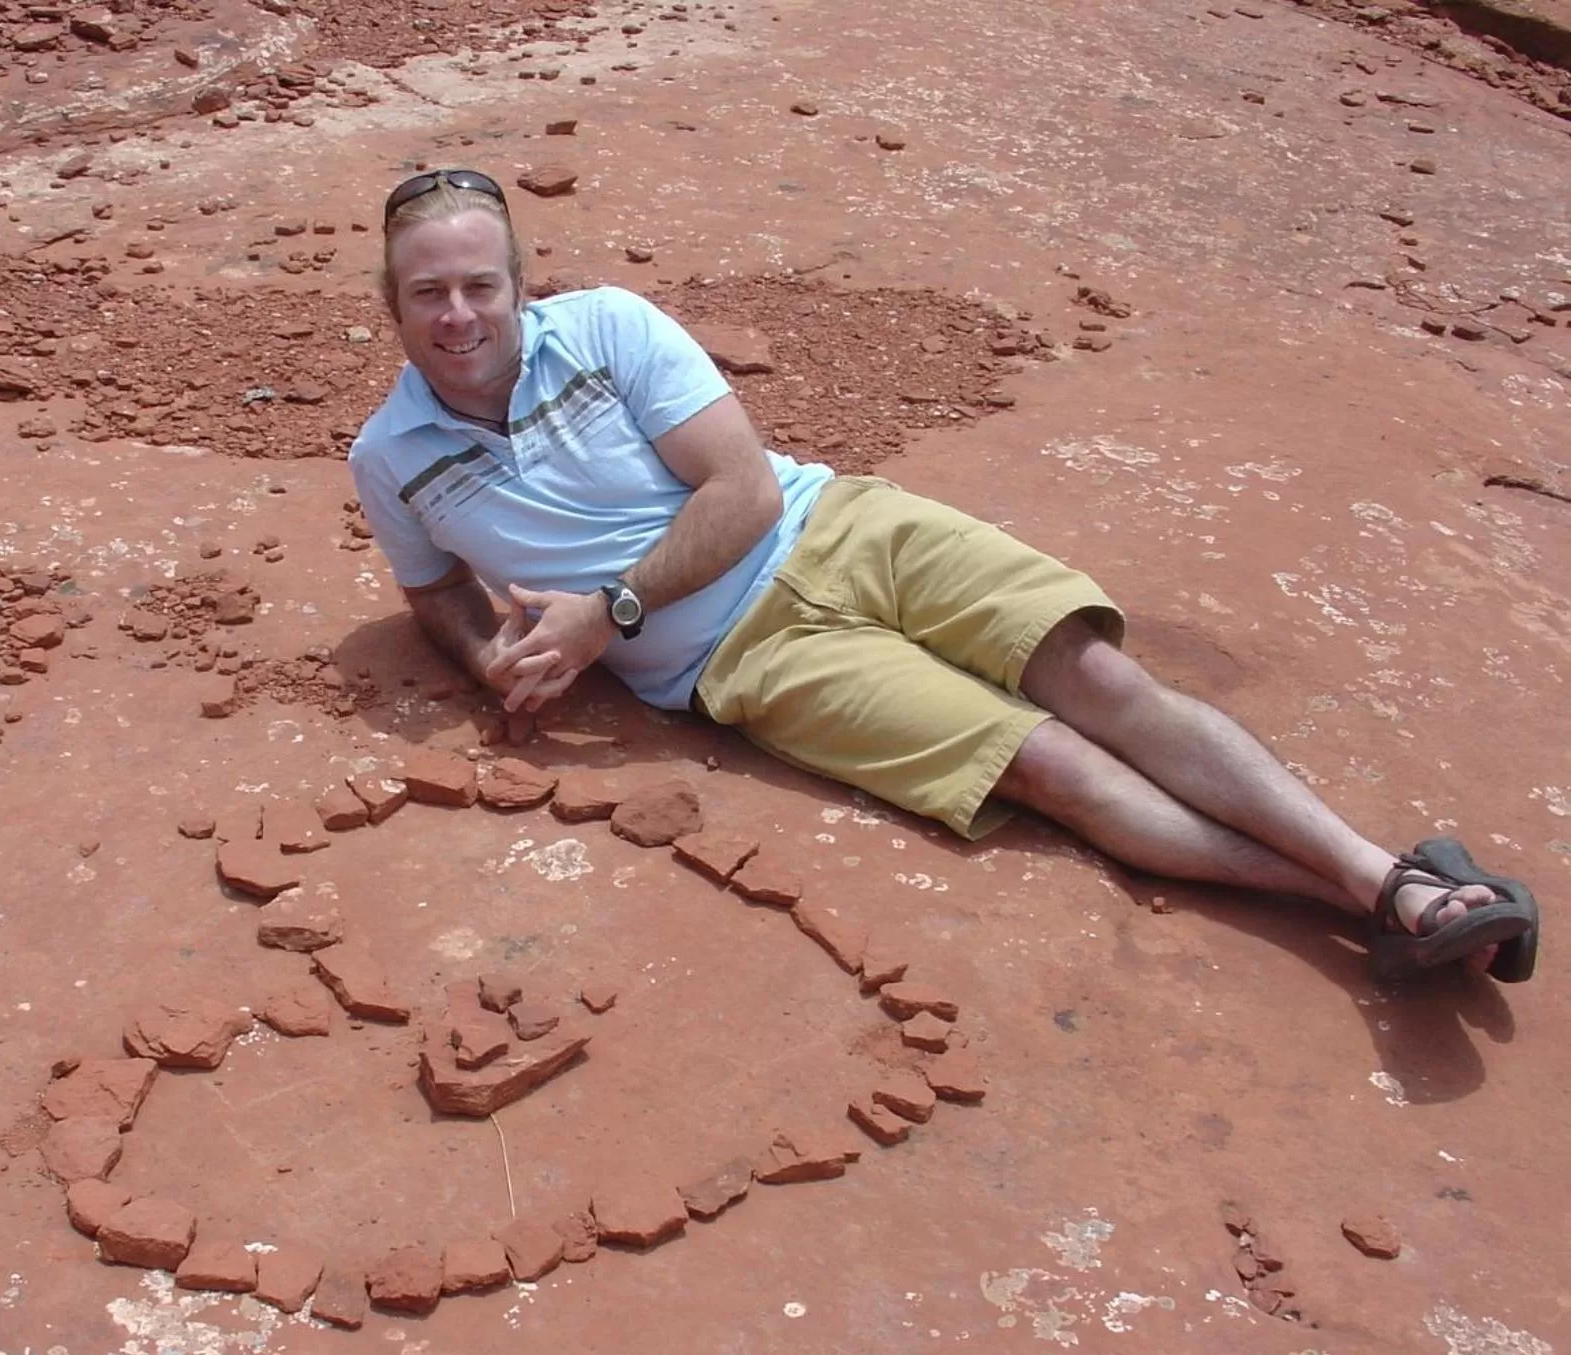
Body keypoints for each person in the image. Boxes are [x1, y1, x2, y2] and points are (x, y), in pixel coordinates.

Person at [347, 168, 1540, 985]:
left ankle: (1383, 875)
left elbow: (744, 491)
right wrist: (482, 652)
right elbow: (433, 595)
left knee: (1095, 682)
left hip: (839, 527)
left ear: (518, 279)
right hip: (745, 662)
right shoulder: (391, 459)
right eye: (428, 292)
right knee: (1047, 765)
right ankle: (1384, 903)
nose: (457, 315)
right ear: (390, 303)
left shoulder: (609, 326)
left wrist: (605, 615)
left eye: (478, 285)